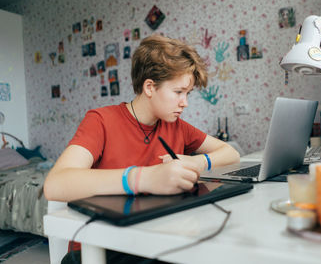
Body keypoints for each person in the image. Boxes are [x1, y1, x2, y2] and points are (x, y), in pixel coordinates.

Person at [44, 33, 240, 203]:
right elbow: (55, 184)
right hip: (101, 239)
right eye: (179, 92)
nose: (185, 103)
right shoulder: (100, 121)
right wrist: (143, 178)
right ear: (149, 87)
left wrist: (198, 163)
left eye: (187, 94)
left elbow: (231, 153)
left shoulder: (177, 127)